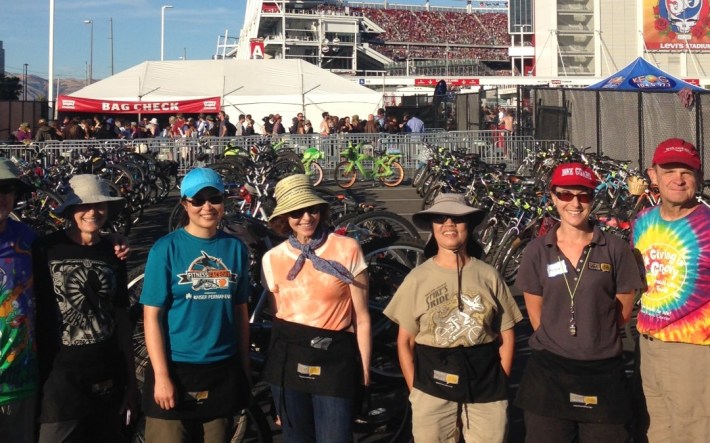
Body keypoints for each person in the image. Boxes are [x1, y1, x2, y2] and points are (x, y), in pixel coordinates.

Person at [514, 163, 643, 442]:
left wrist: (593, 335)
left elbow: (622, 308)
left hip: (602, 371)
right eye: (565, 194)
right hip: (549, 371)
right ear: (553, 197)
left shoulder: (615, 249)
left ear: (593, 200)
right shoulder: (537, 250)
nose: (574, 203)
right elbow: (535, 314)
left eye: (583, 196)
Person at [384, 193, 522, 442]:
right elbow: (405, 342)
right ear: (432, 227)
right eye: (440, 218)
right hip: (431, 380)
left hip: (485, 380)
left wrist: (501, 379)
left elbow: (508, 334)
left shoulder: (488, 275)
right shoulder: (417, 278)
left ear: (468, 224)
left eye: (457, 218)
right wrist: (415, 388)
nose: (448, 224)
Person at [140, 168, 251, 442]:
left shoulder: (235, 249)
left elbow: (240, 312)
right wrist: (162, 376)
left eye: (214, 198)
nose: (207, 207)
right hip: (177, 367)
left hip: (221, 369)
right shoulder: (165, 249)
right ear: (184, 204)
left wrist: (244, 368)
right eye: (197, 200)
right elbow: (152, 317)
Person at [261, 174, 370, 442]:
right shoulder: (272, 258)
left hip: (334, 360)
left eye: (312, 209)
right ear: (284, 217)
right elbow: (278, 320)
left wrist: (364, 375)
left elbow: (362, 319)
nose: (306, 218)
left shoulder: (347, 249)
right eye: (296, 212)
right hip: (288, 362)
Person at [33, 174, 137, 443]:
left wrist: (130, 379)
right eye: (83, 206)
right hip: (58, 385)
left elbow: (121, 316)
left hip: (107, 377)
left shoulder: (114, 253)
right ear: (69, 210)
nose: (92, 212)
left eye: (99, 205)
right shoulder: (45, 249)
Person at [632, 139, 709, 442]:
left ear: (698, 179)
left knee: (692, 432)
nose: (678, 179)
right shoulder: (642, 222)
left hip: (692, 351)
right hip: (648, 345)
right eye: (670, 170)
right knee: (657, 431)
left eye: (687, 172)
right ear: (653, 176)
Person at [0, 160, 38, 443]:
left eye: (8, 188)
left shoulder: (27, 238)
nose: (2, 197)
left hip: (19, 381)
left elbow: (67, 249)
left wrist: (109, 240)